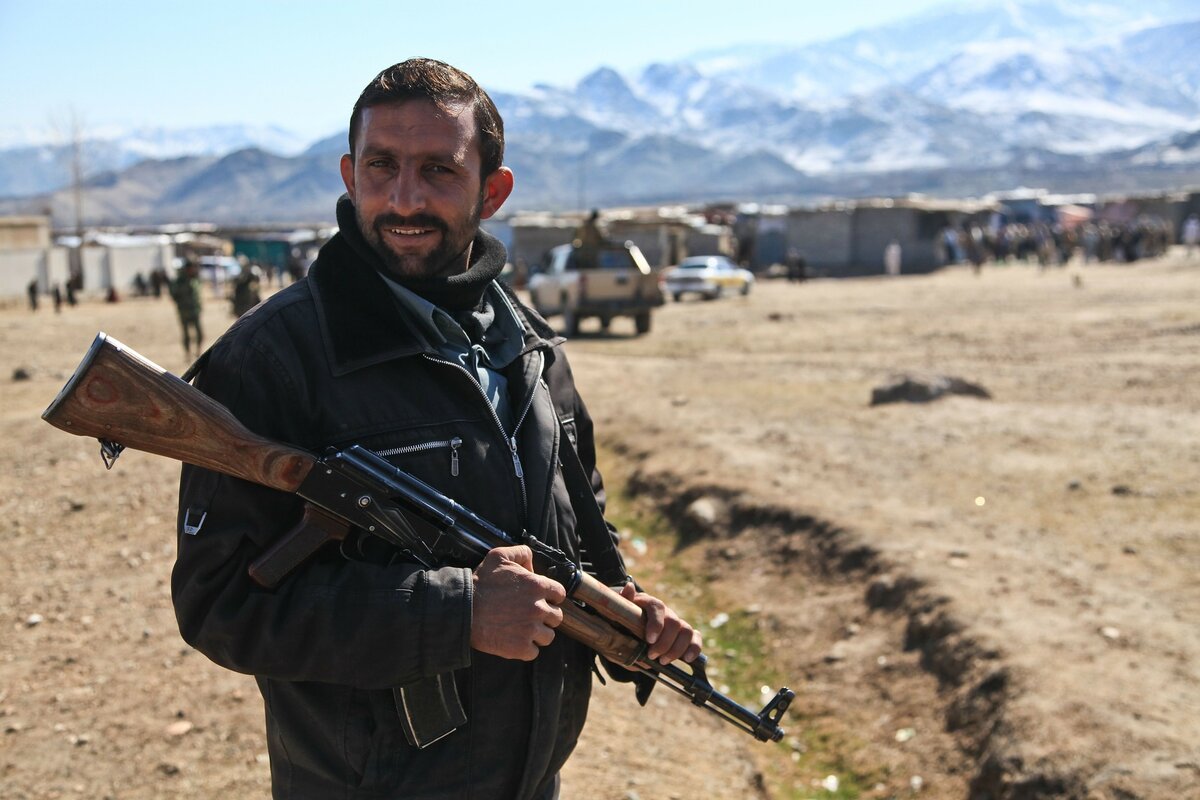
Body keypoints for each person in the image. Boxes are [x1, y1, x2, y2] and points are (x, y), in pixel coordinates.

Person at [171, 58, 701, 800]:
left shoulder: (533, 347)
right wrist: (457, 614)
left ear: (493, 190)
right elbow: (219, 605)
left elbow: (578, 534)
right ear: (350, 176)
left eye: (438, 171)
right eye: (383, 167)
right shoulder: (274, 358)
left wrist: (627, 613)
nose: (405, 197)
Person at [168, 260, 204, 358]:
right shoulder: (179, 281)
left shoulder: (195, 279)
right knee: (186, 335)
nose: (193, 270)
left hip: (195, 311)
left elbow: (197, 295)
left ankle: (198, 351)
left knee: (200, 334)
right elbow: (173, 294)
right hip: (184, 312)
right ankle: (187, 353)